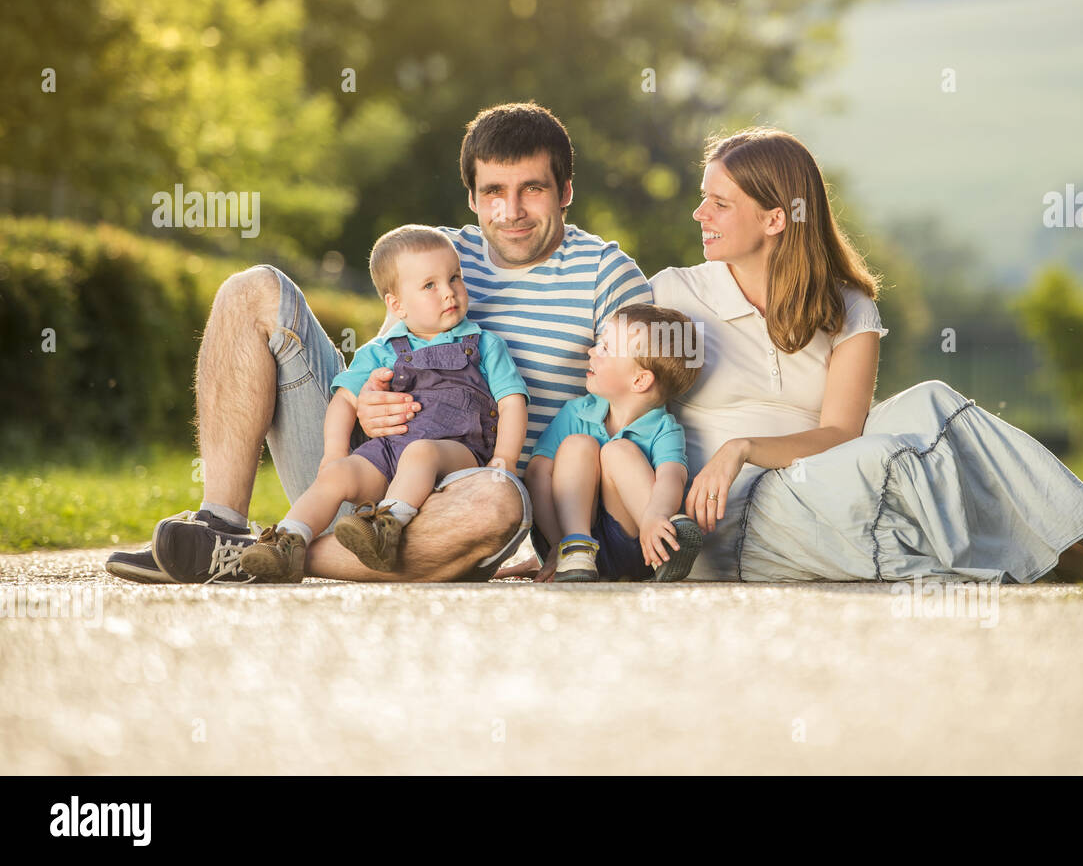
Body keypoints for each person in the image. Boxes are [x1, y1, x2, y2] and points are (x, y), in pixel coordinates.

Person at [649, 127, 1083, 584]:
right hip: (736, 520)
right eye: (705, 199)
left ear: (776, 218)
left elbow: (839, 432)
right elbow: (615, 394)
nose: (700, 214)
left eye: (719, 203)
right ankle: (1079, 546)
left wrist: (746, 447)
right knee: (889, 460)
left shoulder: (845, 306)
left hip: (831, 484)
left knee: (930, 401)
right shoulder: (675, 294)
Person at [107, 102, 651, 585]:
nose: (511, 211)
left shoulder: (606, 272)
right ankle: (220, 525)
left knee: (496, 498)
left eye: (532, 189)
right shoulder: (440, 256)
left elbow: (637, 414)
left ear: (566, 192)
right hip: (363, 470)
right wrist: (366, 398)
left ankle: (253, 555)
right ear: (472, 197)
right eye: (493, 192)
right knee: (251, 289)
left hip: (473, 499)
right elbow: (385, 358)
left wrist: (569, 529)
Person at [239, 226, 529, 581]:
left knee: (421, 452)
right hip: (388, 454)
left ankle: (384, 527)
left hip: (455, 454)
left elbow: (512, 401)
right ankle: (288, 540)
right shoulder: (379, 352)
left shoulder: (483, 345)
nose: (449, 292)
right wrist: (333, 453)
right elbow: (344, 401)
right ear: (397, 305)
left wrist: (506, 459)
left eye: (454, 278)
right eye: (430, 286)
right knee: (338, 475)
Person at [525, 303, 704, 582]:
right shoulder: (577, 412)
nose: (592, 351)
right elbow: (538, 474)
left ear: (640, 380)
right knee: (578, 445)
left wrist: (656, 516)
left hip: (636, 543)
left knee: (618, 451)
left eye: (606, 348)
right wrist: (557, 545)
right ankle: (575, 550)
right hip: (568, 539)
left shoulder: (663, 428)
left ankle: (664, 551)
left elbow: (672, 477)